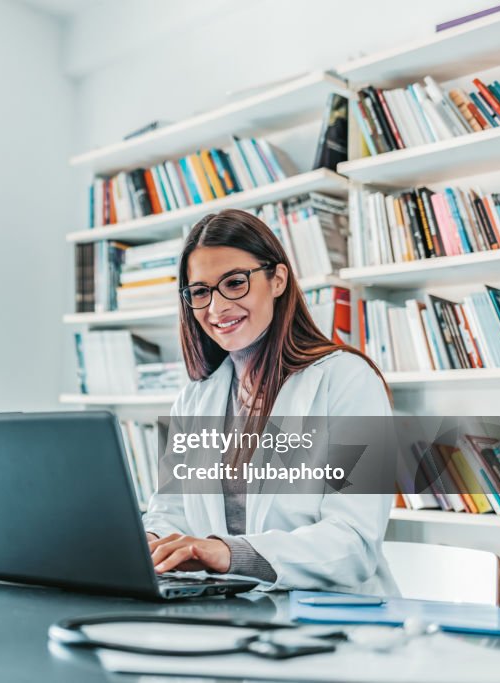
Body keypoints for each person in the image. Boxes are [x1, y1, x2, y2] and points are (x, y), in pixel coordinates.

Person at [144, 208, 398, 595]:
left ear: (277, 279)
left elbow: (352, 543)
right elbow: (171, 512)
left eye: (234, 283)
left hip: (330, 622)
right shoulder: (195, 399)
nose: (216, 308)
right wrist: (147, 542)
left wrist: (228, 553)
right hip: (226, 610)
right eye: (200, 292)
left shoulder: (347, 380)